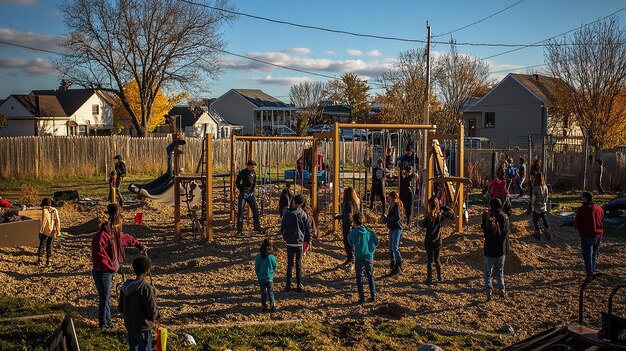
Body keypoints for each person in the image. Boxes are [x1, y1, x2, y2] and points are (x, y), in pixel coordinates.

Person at [92, 203, 145, 331]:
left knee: (107, 297)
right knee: (104, 298)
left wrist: (139, 245)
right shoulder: (101, 237)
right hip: (102, 271)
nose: (121, 230)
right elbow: (99, 257)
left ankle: (108, 321)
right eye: (120, 227)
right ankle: (104, 324)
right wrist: (111, 268)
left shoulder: (117, 235)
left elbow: (128, 239)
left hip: (109, 270)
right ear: (114, 226)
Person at [119, 256, 159, 351]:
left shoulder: (125, 287)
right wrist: (154, 320)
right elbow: (152, 309)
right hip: (143, 327)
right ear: (148, 270)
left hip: (130, 325)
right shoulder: (146, 288)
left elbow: (120, 308)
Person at [419, 197, 454, 285]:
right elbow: (451, 212)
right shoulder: (440, 216)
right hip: (438, 240)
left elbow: (422, 224)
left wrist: (419, 221)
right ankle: (439, 277)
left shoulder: (429, 216)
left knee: (430, 260)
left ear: (430, 206)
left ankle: (429, 279)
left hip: (429, 241)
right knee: (437, 259)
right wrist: (442, 207)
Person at [481, 198, 510, 301]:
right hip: (501, 249)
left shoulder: (488, 218)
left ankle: (489, 293)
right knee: (500, 271)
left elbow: (484, 231)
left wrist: (483, 218)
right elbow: (506, 234)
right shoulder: (505, 217)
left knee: (488, 272)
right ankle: (502, 289)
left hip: (489, 249)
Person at [281, 194, 311, 292]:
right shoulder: (303, 214)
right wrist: (308, 240)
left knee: (290, 265)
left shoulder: (286, 213)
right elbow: (307, 229)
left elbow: (283, 227)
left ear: (294, 202)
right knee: (298, 265)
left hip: (290, 242)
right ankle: (299, 284)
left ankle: (288, 285)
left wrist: (285, 237)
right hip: (299, 242)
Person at [347, 212, 379, 303]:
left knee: (359, 277)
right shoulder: (369, 231)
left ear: (354, 222)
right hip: (369, 256)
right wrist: (371, 249)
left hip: (359, 256)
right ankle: (373, 295)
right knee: (370, 276)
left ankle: (362, 298)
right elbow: (376, 242)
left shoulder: (354, 232)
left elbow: (349, 239)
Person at [574, 191, 604, 281]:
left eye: (582, 197)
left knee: (587, 256)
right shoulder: (599, 208)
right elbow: (602, 219)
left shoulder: (582, 210)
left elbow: (576, 224)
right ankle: (592, 270)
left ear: (586, 198)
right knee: (593, 255)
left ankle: (590, 274)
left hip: (587, 236)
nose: (580, 198)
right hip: (598, 235)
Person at [235, 160, 264, 234]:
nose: (253, 168)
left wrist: (252, 190)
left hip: (251, 194)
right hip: (244, 193)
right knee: (241, 211)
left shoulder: (253, 172)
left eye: (254, 167)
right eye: (252, 167)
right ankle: (239, 229)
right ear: (248, 166)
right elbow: (237, 182)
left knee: (255, 209)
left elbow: (254, 182)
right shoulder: (243, 172)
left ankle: (257, 226)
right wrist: (242, 189)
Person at [337, 187, 360, 270]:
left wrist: (343, 217)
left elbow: (349, 216)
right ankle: (349, 259)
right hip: (349, 226)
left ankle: (352, 261)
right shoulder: (352, 203)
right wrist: (340, 216)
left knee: (350, 244)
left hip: (349, 226)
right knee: (347, 243)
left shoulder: (349, 203)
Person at [382, 191, 405, 275]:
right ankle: (393, 264)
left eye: (389, 196)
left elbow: (397, 218)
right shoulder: (391, 206)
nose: (388, 198)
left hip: (396, 228)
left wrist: (387, 219)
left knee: (394, 247)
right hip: (392, 228)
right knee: (391, 247)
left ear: (392, 197)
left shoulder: (396, 206)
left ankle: (399, 263)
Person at [255, 239, 277, 312]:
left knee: (263, 292)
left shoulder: (258, 257)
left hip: (261, 277)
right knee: (270, 291)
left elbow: (256, 267)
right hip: (269, 277)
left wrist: (258, 273)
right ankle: (272, 305)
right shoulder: (271, 257)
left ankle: (264, 306)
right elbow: (275, 266)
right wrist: (272, 272)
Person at [37, 198, 61, 266]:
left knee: (42, 245)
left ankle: (40, 259)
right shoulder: (54, 210)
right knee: (49, 245)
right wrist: (58, 231)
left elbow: (43, 222)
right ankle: (49, 260)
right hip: (52, 231)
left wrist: (40, 231)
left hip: (44, 231)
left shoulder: (44, 211)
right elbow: (57, 221)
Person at [530, 172, 550, 240]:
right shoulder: (545, 187)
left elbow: (533, 198)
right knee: (545, 219)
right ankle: (547, 230)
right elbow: (547, 198)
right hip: (543, 207)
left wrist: (532, 205)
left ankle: (537, 231)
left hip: (537, 208)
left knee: (535, 220)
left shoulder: (536, 188)